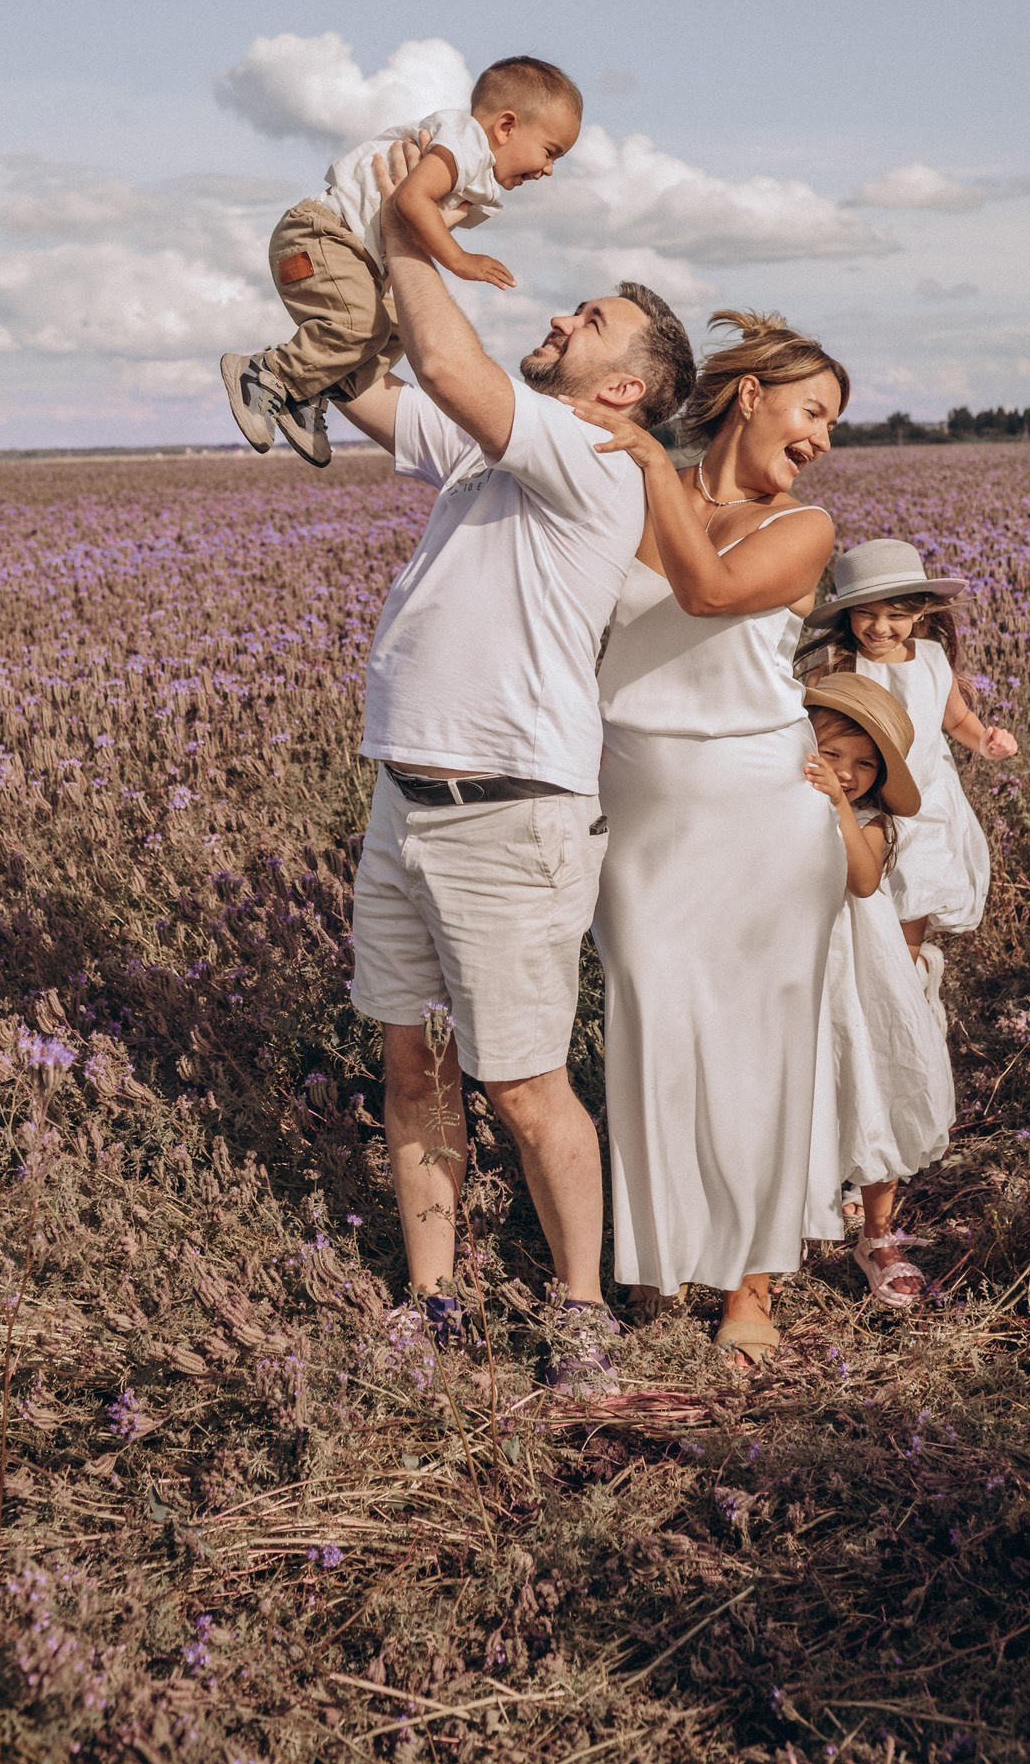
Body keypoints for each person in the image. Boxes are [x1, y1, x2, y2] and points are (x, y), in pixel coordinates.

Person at [335, 171, 695, 1389]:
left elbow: (444, 369)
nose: (555, 321)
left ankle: (580, 1309)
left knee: (525, 1085)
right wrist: (331, 288)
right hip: (404, 804)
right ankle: (429, 1302)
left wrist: (405, 226)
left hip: (510, 817)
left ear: (625, 389)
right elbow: (374, 392)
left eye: (584, 322)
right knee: (411, 1067)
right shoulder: (494, 452)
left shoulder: (590, 457)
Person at [575, 310, 850, 1370]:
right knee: (650, 1014)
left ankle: (751, 1283)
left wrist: (647, 460)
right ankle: (662, 1247)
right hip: (639, 807)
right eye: (812, 410)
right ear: (750, 396)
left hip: (763, 816)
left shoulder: (806, 527)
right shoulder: (627, 490)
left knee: (763, 1042)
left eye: (831, 422)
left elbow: (707, 589)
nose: (821, 436)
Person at [220, 55, 584, 467]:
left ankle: (312, 389)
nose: (549, 170)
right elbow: (410, 199)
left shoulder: (474, 170)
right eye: (550, 152)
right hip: (320, 236)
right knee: (359, 326)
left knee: (399, 328)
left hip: (351, 254)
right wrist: (459, 260)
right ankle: (267, 374)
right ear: (506, 127)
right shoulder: (465, 144)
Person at [799, 541, 1016, 1026]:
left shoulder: (933, 658)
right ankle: (860, 1007)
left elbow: (956, 720)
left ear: (920, 612)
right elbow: (812, 728)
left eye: (895, 614)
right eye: (866, 614)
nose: (880, 627)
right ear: (848, 614)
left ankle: (909, 1009)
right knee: (858, 911)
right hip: (859, 800)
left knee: (910, 909)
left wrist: (986, 742)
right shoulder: (838, 662)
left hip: (926, 806)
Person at [800, 676, 954, 1311]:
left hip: (858, 972)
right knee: (803, 1088)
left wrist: (837, 806)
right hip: (794, 965)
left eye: (865, 764)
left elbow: (862, 883)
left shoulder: (872, 821)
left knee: (874, 1084)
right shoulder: (775, 797)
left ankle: (878, 1233)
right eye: (833, 754)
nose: (848, 772)